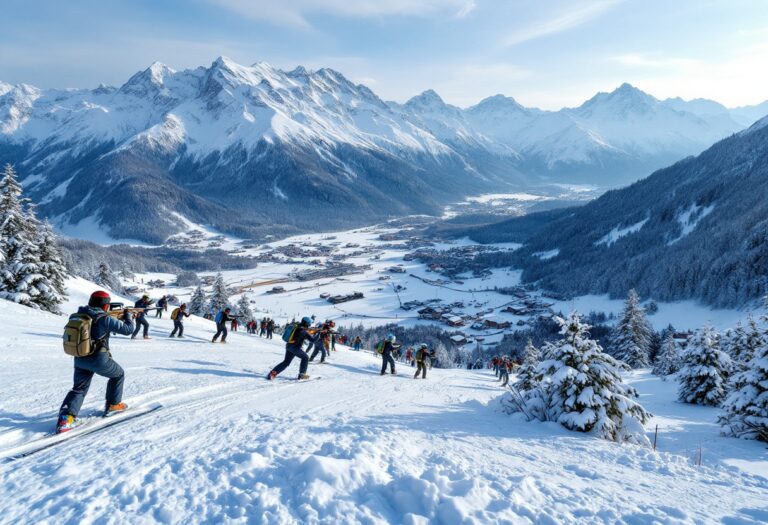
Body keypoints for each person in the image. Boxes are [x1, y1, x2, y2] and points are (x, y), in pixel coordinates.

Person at [56, 290, 135, 433]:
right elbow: (128, 330)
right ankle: (113, 405)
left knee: (79, 388)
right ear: (105, 306)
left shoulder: (79, 315)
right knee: (118, 375)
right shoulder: (104, 318)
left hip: (80, 357)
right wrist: (129, 317)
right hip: (98, 358)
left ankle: (65, 419)